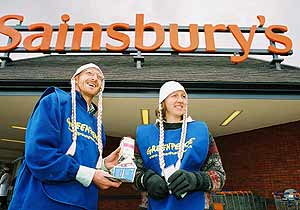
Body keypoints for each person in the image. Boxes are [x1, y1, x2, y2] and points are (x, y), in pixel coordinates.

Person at [9, 63, 121, 210]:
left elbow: (87, 168)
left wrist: (104, 166)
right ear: (75, 80)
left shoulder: (97, 125)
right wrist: (89, 174)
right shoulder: (55, 102)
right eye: (89, 73)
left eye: (100, 77)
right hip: (43, 201)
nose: (95, 78)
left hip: (84, 204)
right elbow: (39, 155)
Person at [134, 81, 226, 210]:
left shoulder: (201, 132)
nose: (180, 100)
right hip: (155, 205)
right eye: (174, 95)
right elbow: (134, 173)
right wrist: (147, 180)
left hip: (196, 205)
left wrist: (196, 179)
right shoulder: (145, 135)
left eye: (183, 96)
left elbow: (219, 176)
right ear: (163, 102)